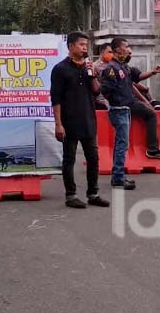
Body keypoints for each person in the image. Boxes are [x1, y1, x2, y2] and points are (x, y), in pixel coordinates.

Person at [99, 38, 160, 191]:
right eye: (126, 46)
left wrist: (154, 71)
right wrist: (118, 101)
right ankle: (118, 177)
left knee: (123, 144)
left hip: (125, 108)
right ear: (117, 49)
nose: (128, 49)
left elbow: (138, 77)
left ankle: (119, 176)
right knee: (122, 144)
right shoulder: (111, 68)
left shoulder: (124, 67)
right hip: (119, 109)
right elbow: (105, 90)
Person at [50, 32, 109, 209]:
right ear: (71, 47)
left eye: (86, 45)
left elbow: (97, 91)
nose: (85, 48)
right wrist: (58, 124)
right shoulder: (60, 69)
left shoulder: (88, 67)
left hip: (88, 120)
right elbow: (56, 99)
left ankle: (93, 193)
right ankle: (71, 195)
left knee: (93, 158)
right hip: (69, 122)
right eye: (81, 44)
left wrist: (92, 75)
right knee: (69, 159)